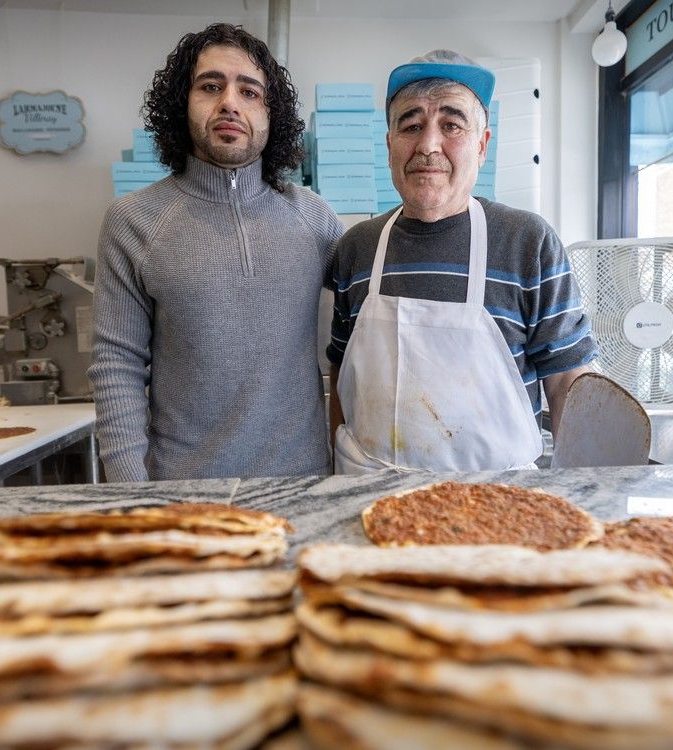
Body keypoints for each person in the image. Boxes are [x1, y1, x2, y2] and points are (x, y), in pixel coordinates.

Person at [90, 24, 343, 481]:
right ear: (181, 104)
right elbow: (116, 364)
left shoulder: (314, 217)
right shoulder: (133, 220)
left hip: (303, 485)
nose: (230, 102)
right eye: (210, 86)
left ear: (271, 114)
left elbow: (371, 318)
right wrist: (130, 491)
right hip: (183, 490)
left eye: (250, 92)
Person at [327, 50, 597, 474]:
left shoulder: (528, 242)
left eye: (451, 125)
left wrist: (582, 492)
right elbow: (342, 373)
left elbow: (568, 384)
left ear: (482, 145)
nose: (428, 145)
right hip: (366, 491)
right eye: (411, 126)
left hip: (496, 499)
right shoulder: (356, 248)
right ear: (390, 145)